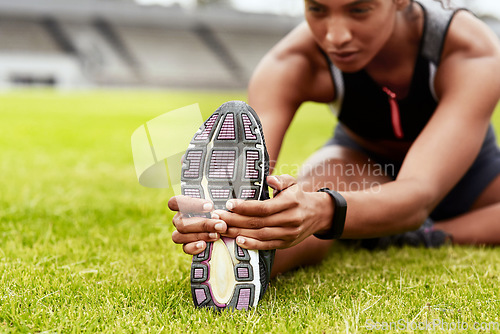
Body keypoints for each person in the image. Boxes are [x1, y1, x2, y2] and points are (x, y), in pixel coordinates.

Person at [168, 0, 500, 280]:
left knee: (317, 202)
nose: (335, 35)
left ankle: (422, 235)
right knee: (309, 192)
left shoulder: (469, 49)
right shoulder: (292, 61)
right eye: (317, 9)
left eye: (359, 10)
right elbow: (246, 184)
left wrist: (326, 211)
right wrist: (220, 218)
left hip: (471, 178)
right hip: (362, 167)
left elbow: (418, 194)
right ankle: (252, 264)